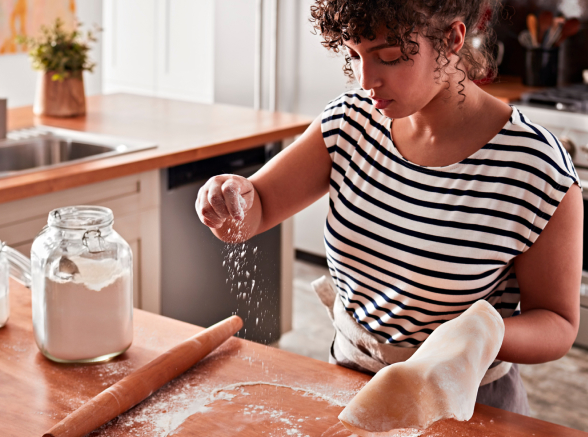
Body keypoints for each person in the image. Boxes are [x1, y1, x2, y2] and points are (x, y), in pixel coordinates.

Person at [195, 0, 584, 415]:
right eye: (354, 55)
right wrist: (229, 198)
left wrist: (483, 333)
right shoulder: (349, 125)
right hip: (349, 383)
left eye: (389, 57)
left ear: (452, 40)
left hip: (467, 403)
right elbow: (254, 212)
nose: (366, 80)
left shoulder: (533, 165)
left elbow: (557, 323)